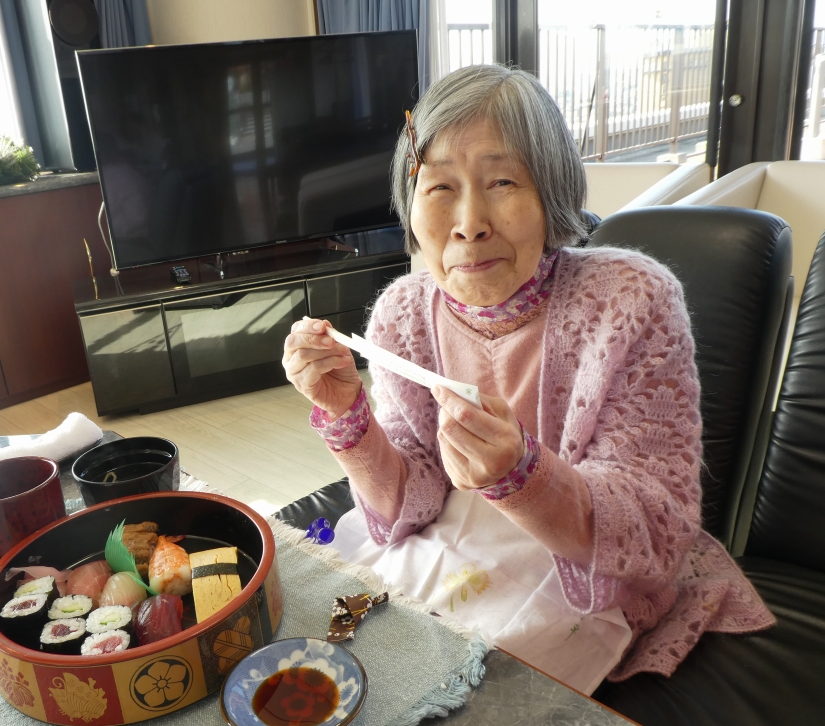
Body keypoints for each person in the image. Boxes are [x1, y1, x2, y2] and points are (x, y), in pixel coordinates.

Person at [282, 64, 773, 692]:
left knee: (461, 700)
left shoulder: (631, 301)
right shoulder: (402, 313)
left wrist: (521, 475)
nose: (469, 222)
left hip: (581, 571)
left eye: (502, 181)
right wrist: (347, 420)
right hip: (447, 546)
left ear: (551, 192)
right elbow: (413, 494)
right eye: (440, 187)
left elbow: (656, 523)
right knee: (341, 666)